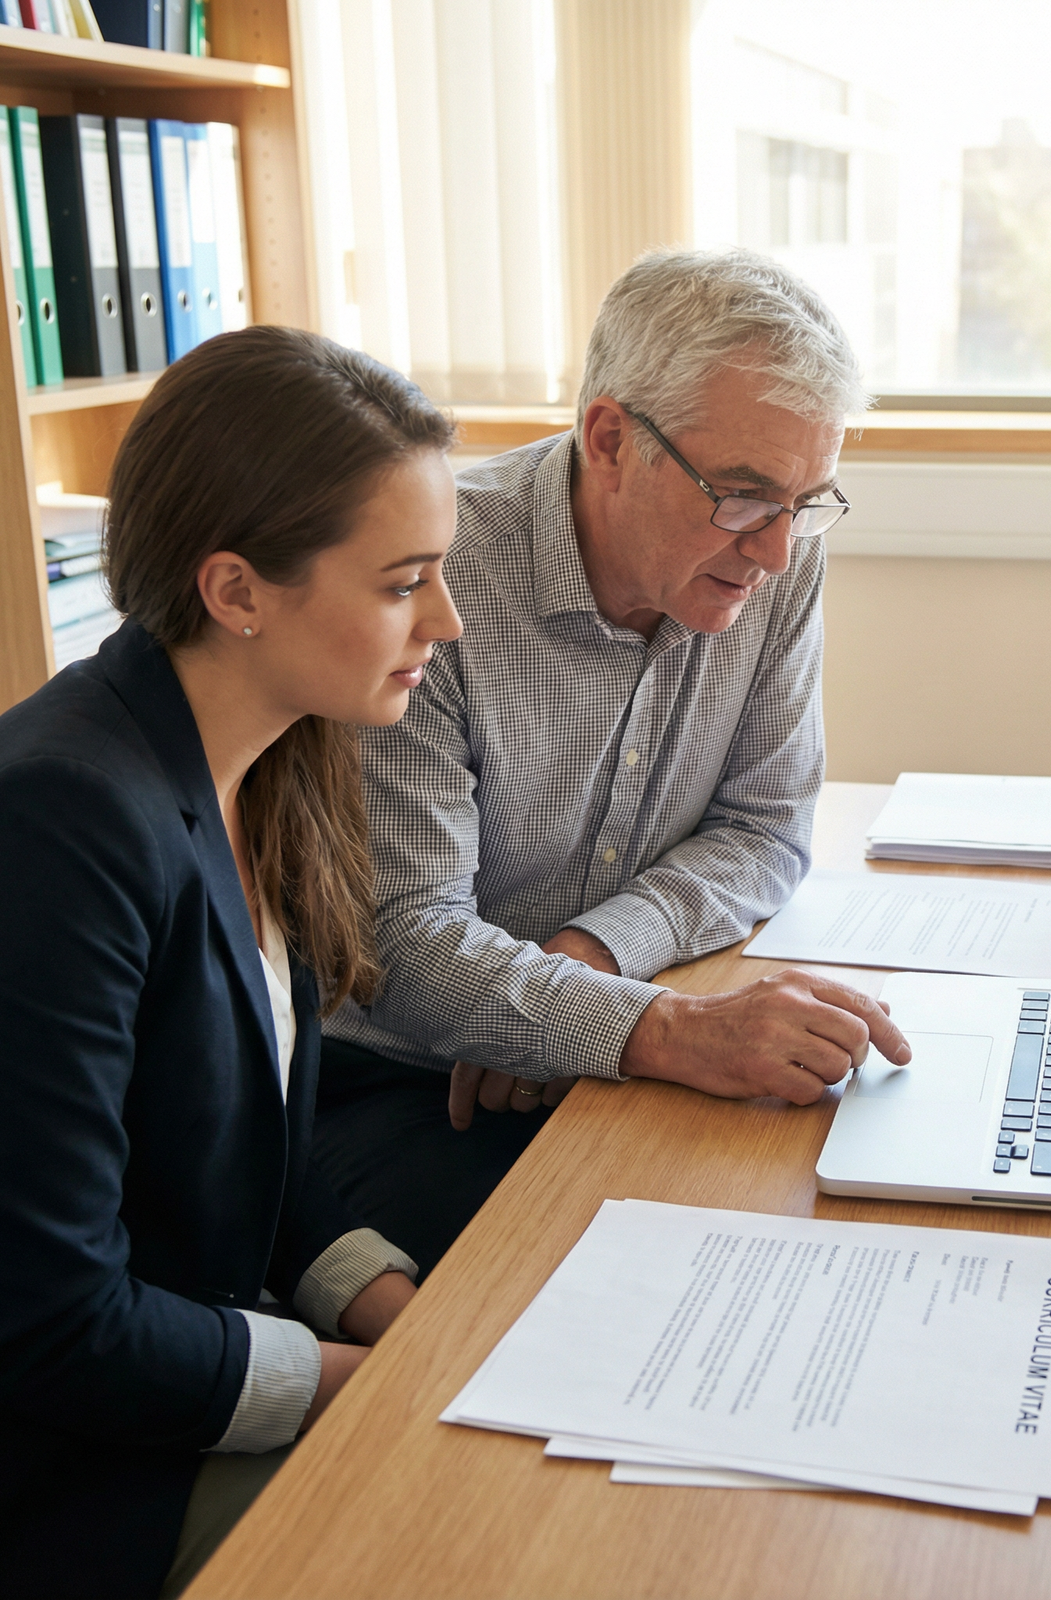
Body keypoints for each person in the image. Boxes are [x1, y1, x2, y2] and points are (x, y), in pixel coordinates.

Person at [317, 248, 911, 1275]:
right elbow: (403, 948)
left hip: (618, 1024)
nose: (775, 552)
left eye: (807, 500)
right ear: (609, 439)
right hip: (407, 1082)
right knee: (657, 1280)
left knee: (828, 1216)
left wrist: (593, 957)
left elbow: (764, 826)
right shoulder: (437, 573)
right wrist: (671, 1032)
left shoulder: (781, 551)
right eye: (742, 495)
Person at [0, 327, 463, 1599]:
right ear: (237, 591)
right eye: (403, 582)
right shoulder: (60, 819)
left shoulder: (271, 755)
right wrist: (370, 1385)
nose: (446, 620)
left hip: (190, 1358)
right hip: (79, 1459)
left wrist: (400, 1310)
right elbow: (54, 1318)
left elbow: (249, 1143)